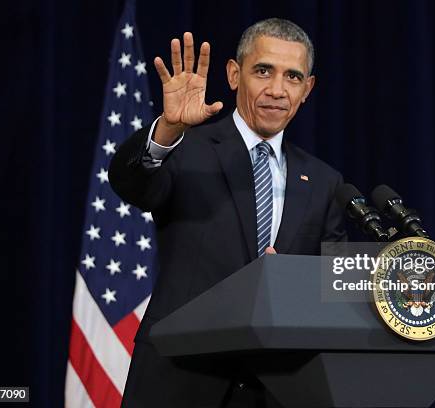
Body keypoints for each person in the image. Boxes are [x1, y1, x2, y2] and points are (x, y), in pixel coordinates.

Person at [109, 17, 347, 408]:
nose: (277, 90)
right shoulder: (187, 146)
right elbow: (131, 183)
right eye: (263, 71)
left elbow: (332, 287)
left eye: (292, 77)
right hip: (181, 379)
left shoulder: (324, 181)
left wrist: (295, 284)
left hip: (276, 387)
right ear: (235, 75)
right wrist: (168, 130)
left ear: (307, 89)